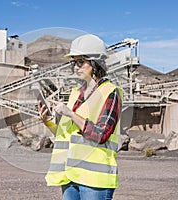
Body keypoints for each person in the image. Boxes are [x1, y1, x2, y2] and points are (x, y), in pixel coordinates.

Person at [38, 34, 123, 200]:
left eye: (80, 62)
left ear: (95, 63)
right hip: (70, 175)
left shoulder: (110, 93)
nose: (76, 67)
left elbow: (101, 134)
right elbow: (68, 136)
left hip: (95, 180)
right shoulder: (76, 94)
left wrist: (70, 113)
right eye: (74, 63)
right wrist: (47, 121)